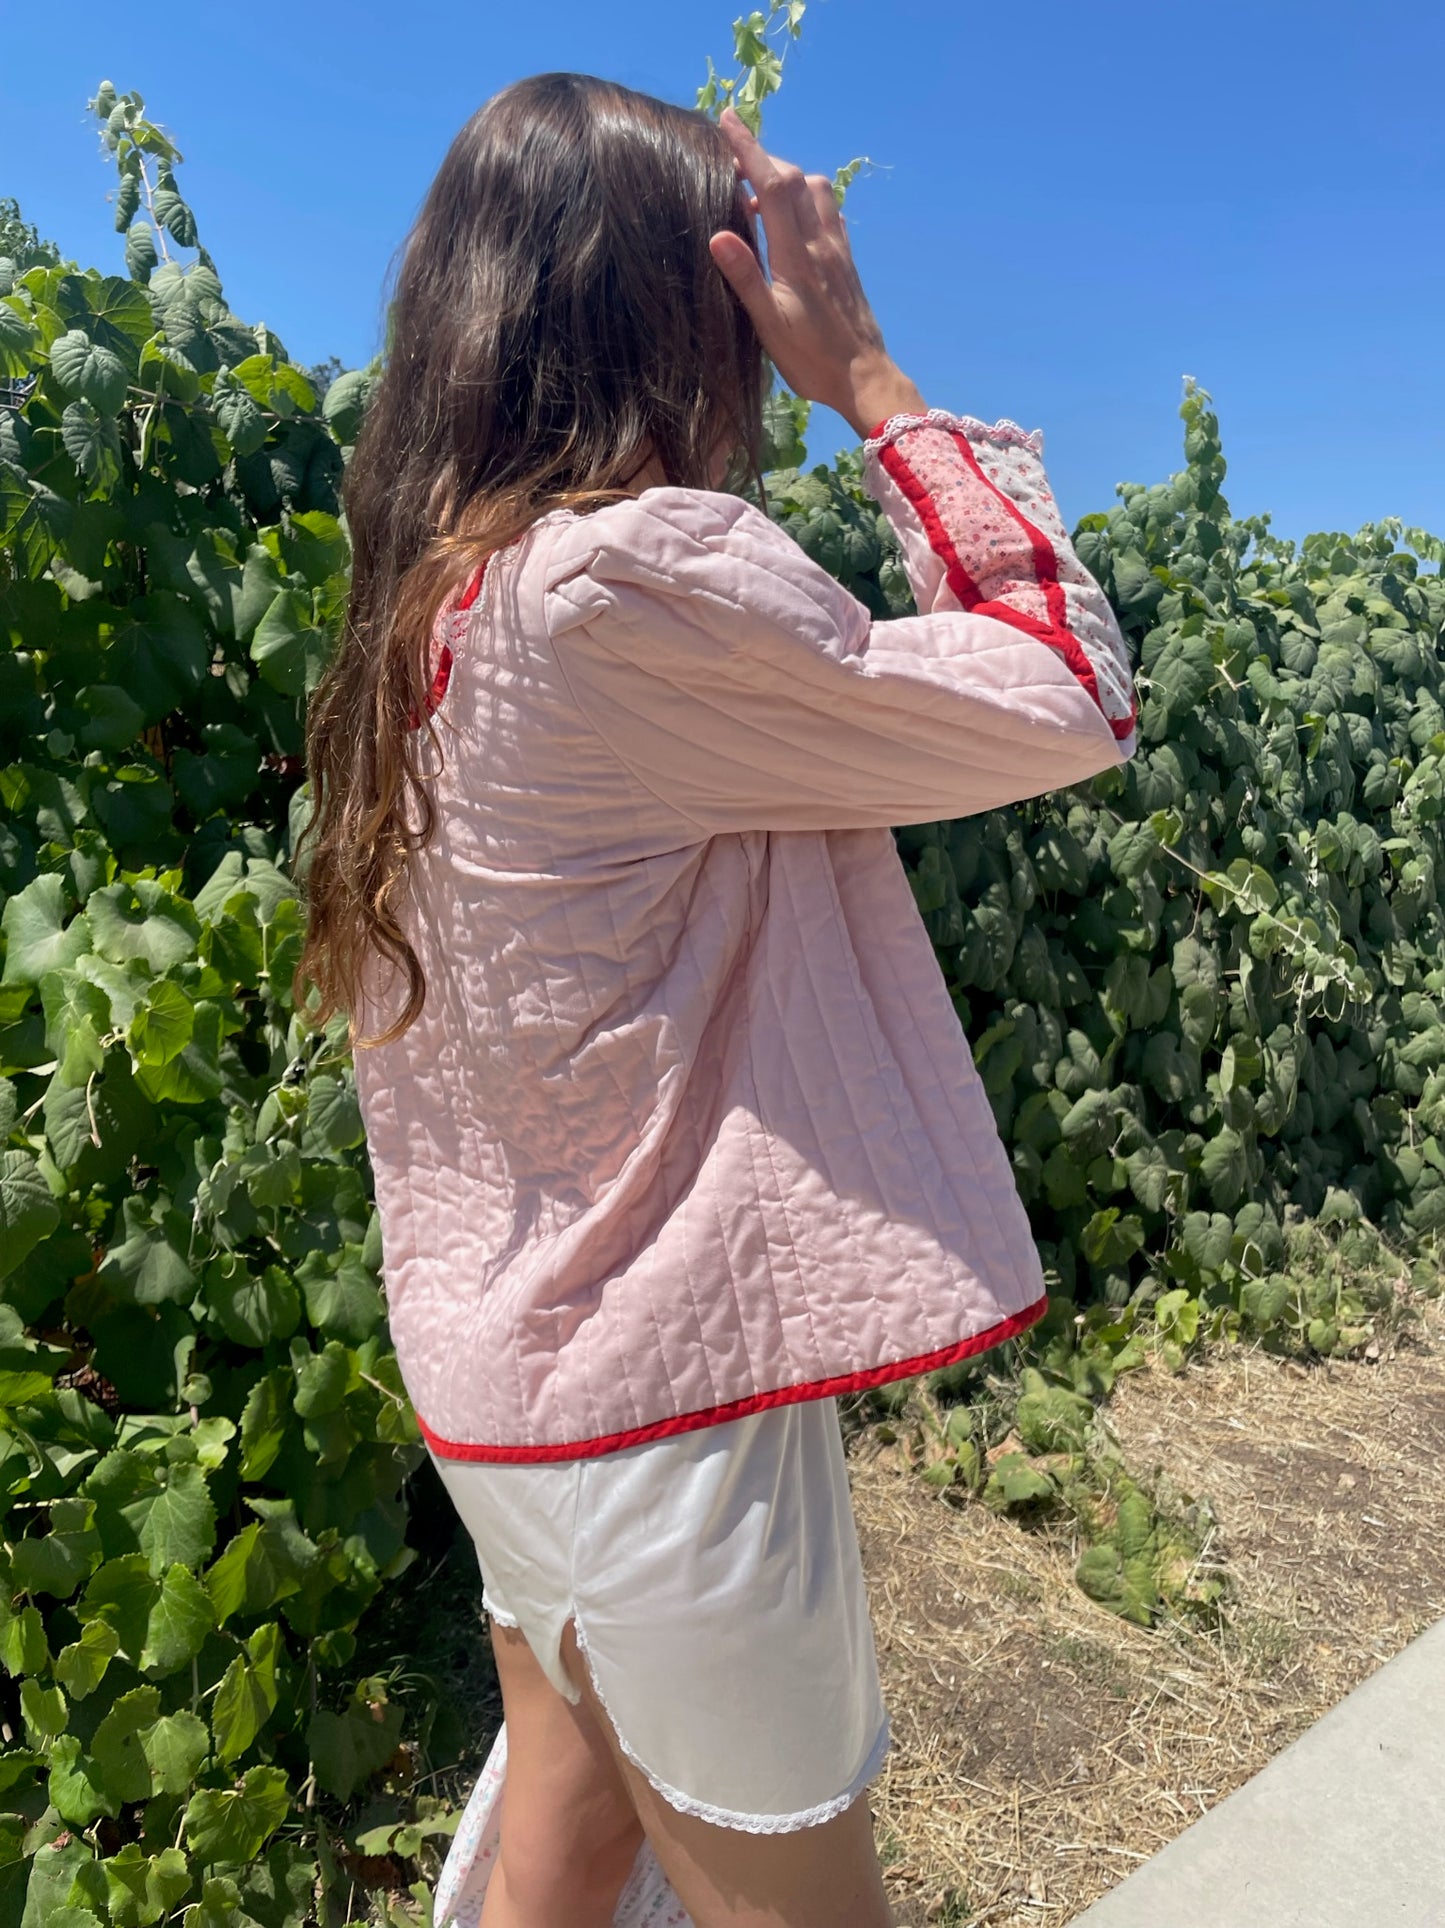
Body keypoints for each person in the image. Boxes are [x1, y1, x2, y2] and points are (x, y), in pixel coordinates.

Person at [299, 70, 1136, 1928]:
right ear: (686, 307)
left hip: (508, 1386)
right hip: (656, 1413)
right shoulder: (618, 584)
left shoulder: (424, 612)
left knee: (571, 1829)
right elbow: (1064, 691)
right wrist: (875, 384)